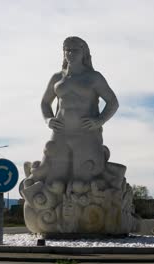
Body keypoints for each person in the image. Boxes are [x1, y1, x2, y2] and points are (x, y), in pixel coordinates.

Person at [40, 36, 119, 182]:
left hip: (86, 134)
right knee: (54, 179)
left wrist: (99, 121)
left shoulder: (94, 77)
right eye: (67, 50)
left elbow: (113, 102)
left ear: (83, 53)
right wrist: (48, 119)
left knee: (82, 180)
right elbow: (45, 102)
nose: (70, 53)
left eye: (74, 50)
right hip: (61, 133)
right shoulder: (57, 78)